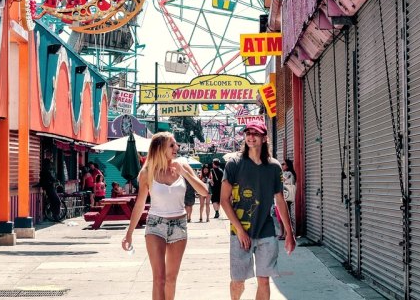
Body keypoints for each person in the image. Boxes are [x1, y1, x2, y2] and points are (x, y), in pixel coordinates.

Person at [122, 132, 209, 300]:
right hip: (155, 225)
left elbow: (204, 191)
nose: (177, 148)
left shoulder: (182, 164)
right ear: (160, 148)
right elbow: (140, 204)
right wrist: (129, 233)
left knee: (171, 279)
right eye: (172, 145)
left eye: (176, 145)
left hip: (179, 225)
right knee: (159, 278)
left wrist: (184, 173)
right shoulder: (147, 172)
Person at [220, 120, 295, 300]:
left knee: (263, 280)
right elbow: (224, 200)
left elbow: (280, 199)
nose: (251, 137)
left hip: (266, 231)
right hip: (239, 232)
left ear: (264, 138)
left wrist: (289, 233)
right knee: (238, 281)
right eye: (248, 133)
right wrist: (240, 230)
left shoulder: (274, 167)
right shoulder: (234, 164)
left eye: (255, 133)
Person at [279, 160, 297, 240]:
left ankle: (286, 234)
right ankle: (285, 233)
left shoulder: (288, 173)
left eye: (283, 164)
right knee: (286, 214)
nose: (282, 166)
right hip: (288, 196)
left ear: (288, 166)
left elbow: (279, 179)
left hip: (286, 196)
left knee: (286, 215)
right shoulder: (290, 173)